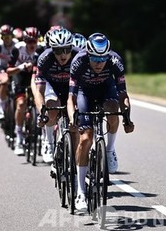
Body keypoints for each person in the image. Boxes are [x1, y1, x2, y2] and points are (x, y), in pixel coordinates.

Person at [67, 33, 134, 213]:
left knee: (113, 111)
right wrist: (73, 116)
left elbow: (123, 95)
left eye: (102, 58)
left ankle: (110, 150)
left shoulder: (115, 61)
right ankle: (81, 191)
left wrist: (127, 118)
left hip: (106, 89)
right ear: (88, 54)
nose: (99, 62)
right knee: (86, 139)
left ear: (107, 55)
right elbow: (71, 96)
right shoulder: (78, 62)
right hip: (84, 93)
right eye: (95, 58)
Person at [33, 27, 78, 164]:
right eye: (58, 51)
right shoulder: (44, 58)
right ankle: (48, 142)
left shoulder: (79, 56)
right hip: (51, 85)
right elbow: (39, 91)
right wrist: (42, 113)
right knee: (52, 105)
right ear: (52, 49)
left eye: (67, 49)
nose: (63, 55)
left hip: (70, 86)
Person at [8, 27, 40, 155]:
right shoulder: (18, 48)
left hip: (35, 77)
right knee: (21, 104)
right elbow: (8, 71)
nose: (32, 44)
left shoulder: (41, 49)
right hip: (20, 76)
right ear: (24, 41)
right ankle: (19, 137)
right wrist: (21, 66)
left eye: (34, 41)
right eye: (28, 41)